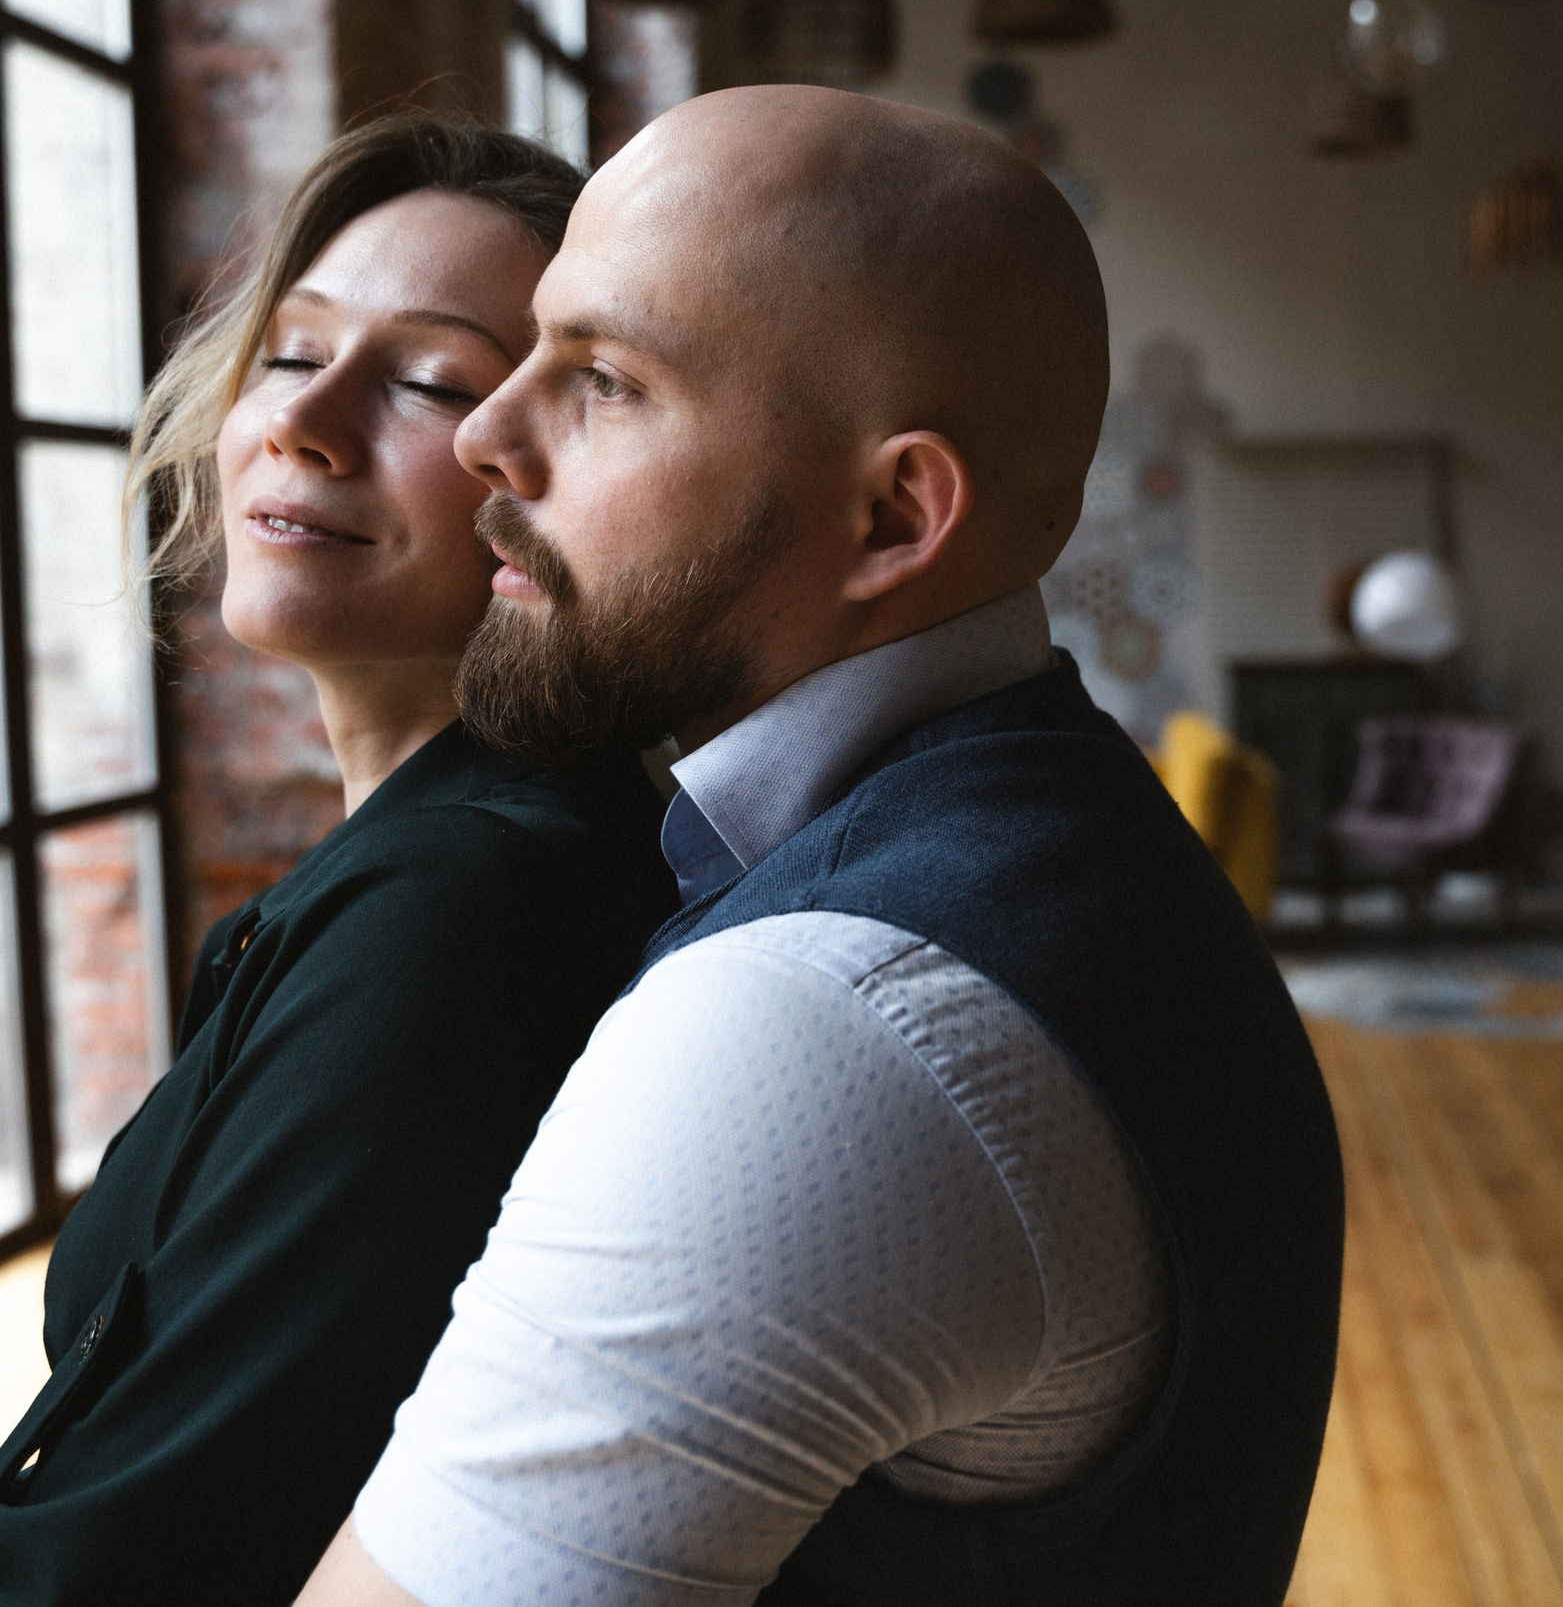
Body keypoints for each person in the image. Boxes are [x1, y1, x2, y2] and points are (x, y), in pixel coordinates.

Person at [295, 86, 1345, 1607]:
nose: (486, 439)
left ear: (894, 517)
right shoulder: (1066, 834)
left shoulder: (826, 1022)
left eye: (604, 381)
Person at [0, 118, 680, 1607]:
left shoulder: (462, 912)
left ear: (556, 468)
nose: (303, 421)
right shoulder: (438, 863)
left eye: (430, 381)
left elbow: (161, 1542)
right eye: (289, 351)